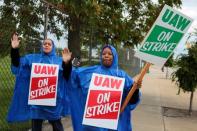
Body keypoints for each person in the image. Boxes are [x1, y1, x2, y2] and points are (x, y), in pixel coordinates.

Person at [7, 33, 72, 131]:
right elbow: (18, 64)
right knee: (36, 126)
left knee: (57, 125)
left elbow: (67, 76)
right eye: (44, 43)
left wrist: (67, 63)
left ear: (53, 47)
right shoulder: (33, 58)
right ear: (42, 46)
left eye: (49, 44)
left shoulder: (59, 61)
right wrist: (15, 49)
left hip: (54, 100)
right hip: (37, 100)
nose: (46, 45)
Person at [69, 45, 141, 131]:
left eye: (110, 54)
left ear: (114, 56)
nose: (106, 55)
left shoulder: (122, 75)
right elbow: (73, 76)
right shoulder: (92, 72)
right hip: (94, 126)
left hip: (115, 125)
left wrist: (136, 89)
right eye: (104, 54)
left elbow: (132, 99)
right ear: (101, 56)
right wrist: (67, 63)